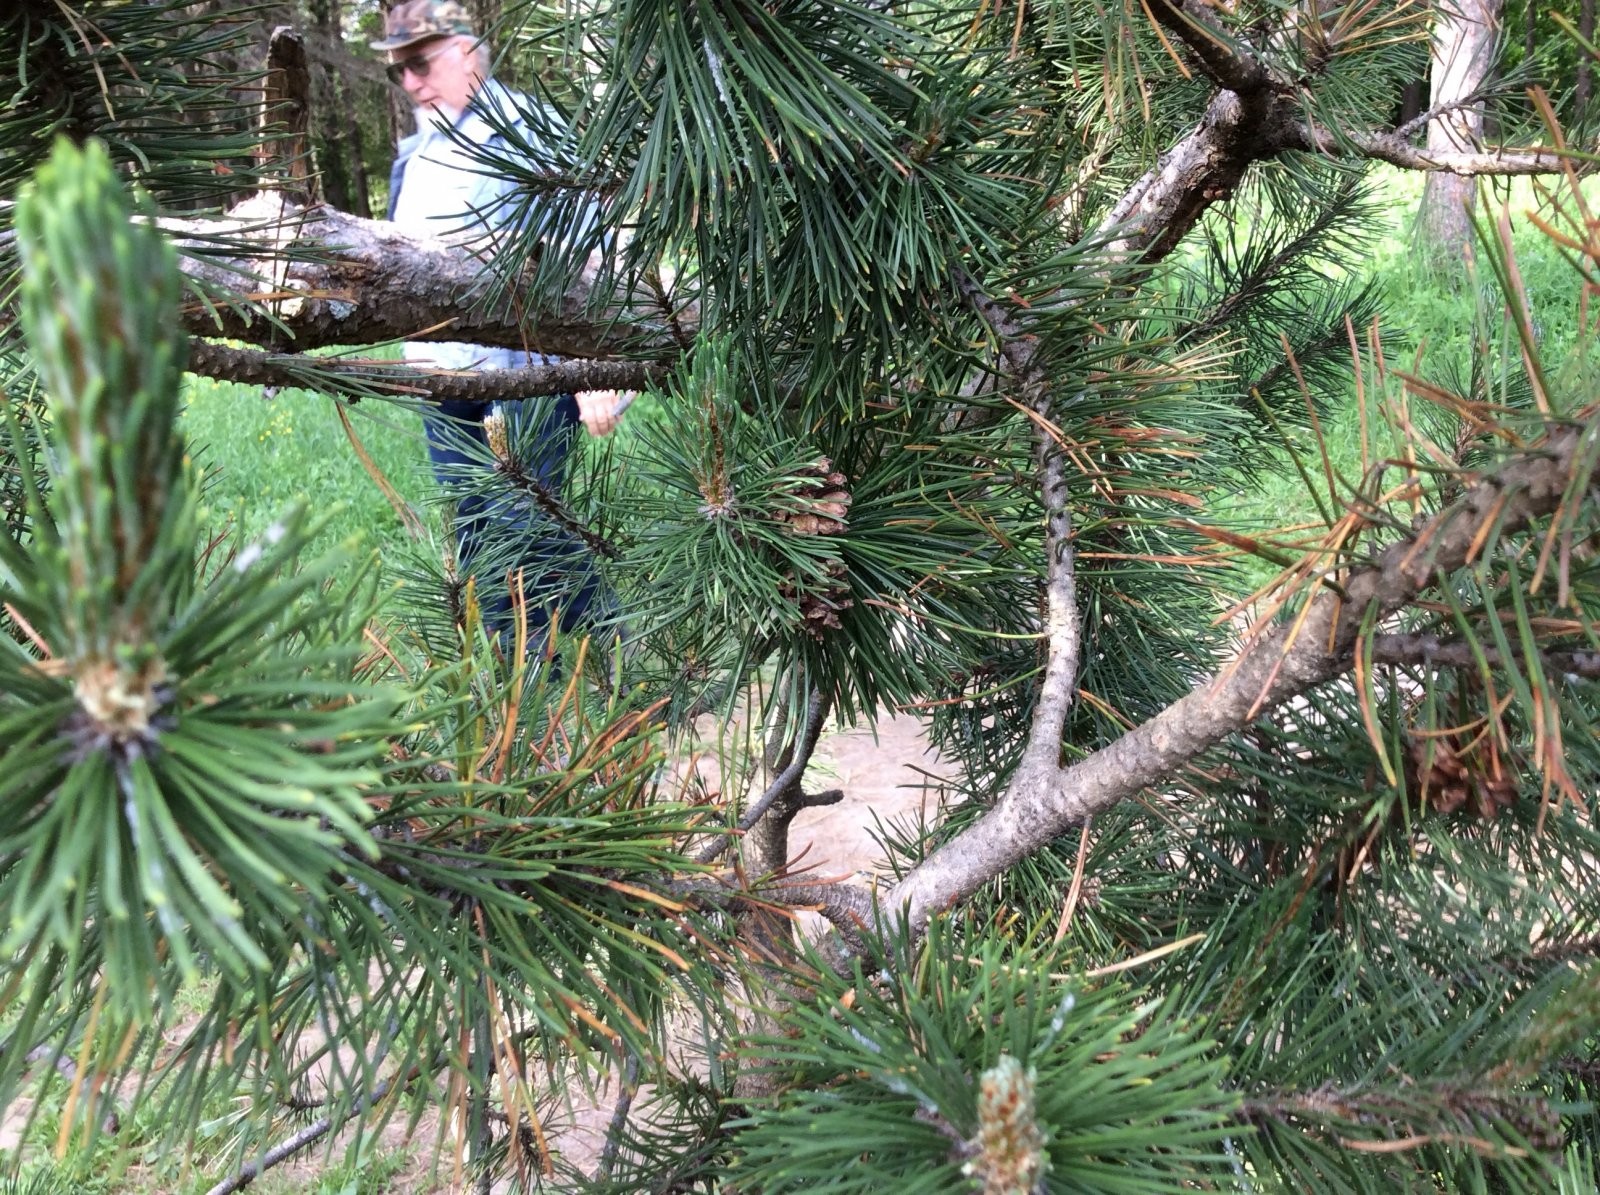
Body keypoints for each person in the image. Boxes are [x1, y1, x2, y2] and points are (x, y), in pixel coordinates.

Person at [371, 0, 620, 648]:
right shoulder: (417, 153)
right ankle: (528, 673)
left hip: (525, 377)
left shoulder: (531, 131)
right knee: (477, 531)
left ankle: (587, 663)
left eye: (420, 64)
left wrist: (598, 370)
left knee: (531, 527)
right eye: (398, 71)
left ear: (463, 50)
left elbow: (594, 251)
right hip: (444, 387)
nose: (410, 83)